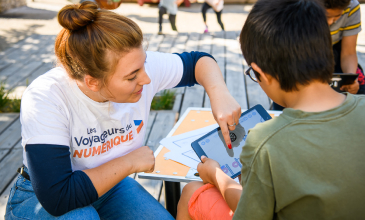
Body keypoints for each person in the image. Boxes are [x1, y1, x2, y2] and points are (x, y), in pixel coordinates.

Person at [4, 1, 241, 219]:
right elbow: (58, 197)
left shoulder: (135, 66)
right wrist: (129, 163)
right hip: (40, 197)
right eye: (132, 76)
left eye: (144, 64)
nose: (147, 79)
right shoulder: (46, 97)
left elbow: (199, 62)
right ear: (92, 82)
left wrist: (219, 93)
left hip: (110, 186)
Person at [176, 0, 365, 219]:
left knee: (192, 192)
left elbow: (248, 214)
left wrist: (216, 174)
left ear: (260, 72)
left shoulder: (265, 142)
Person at [273, 0, 364, 110]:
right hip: (298, 51)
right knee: (287, 91)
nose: (330, 22)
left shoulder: (352, 7)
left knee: (359, 87)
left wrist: (350, 78)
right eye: (326, 16)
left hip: (333, 52)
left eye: (337, 16)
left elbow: (348, 53)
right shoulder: (295, 7)